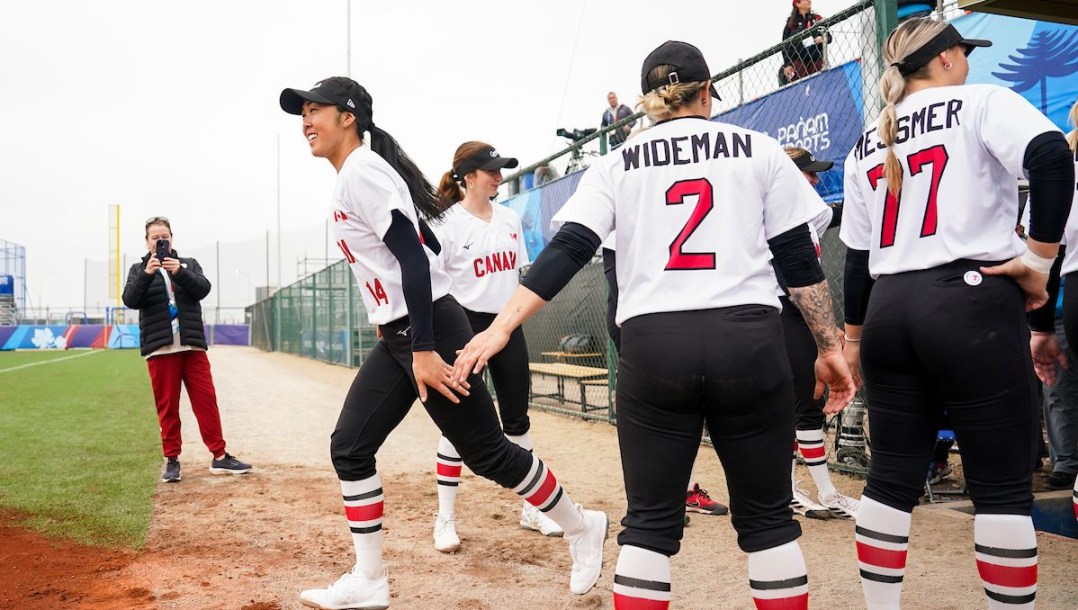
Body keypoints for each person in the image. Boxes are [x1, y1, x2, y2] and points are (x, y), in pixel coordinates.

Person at [453, 41, 855, 609]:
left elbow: (569, 248)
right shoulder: (759, 149)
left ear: (648, 103)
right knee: (767, 521)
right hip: (748, 337)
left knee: (648, 525)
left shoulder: (616, 162)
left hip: (655, 342)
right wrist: (829, 346)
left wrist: (500, 328)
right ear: (708, 90)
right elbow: (798, 260)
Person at [279, 77, 608, 609]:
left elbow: (413, 256)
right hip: (403, 336)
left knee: (488, 454)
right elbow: (427, 240)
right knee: (350, 446)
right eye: (302, 111)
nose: (305, 121)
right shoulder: (361, 173)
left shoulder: (361, 169)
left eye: (314, 109)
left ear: (348, 116)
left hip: (426, 330)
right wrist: (406, 337)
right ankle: (369, 581)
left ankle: (581, 525)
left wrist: (425, 348)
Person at [840, 18, 1074, 609]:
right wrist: (1040, 261)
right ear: (945, 59)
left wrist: (851, 341)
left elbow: (857, 260)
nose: (966, 63)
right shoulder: (981, 102)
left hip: (890, 305)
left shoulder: (871, 136)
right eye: (962, 53)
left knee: (889, 479)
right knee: (998, 488)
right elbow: (1052, 158)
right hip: (969, 300)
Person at [428, 140, 564, 552]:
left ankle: (531, 508)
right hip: (462, 327)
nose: (498, 176)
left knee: (517, 419)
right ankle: (445, 518)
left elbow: (518, 277)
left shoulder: (508, 219)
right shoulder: (446, 222)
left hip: (505, 326)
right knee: (460, 424)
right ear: (468, 177)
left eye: (500, 169)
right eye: (491, 170)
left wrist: (509, 322)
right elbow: (434, 282)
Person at [601, 232, 730, 518]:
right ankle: (650, 504)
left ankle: (683, 492)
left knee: (688, 402)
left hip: (677, 318)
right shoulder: (623, 211)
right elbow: (619, 289)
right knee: (650, 414)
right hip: (640, 322)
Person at [121, 217, 252, 483]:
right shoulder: (138, 269)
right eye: (155, 237)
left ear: (172, 238)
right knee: (167, 407)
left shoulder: (188, 264)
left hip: (192, 345)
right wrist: (148, 274)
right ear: (147, 241)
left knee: (206, 401)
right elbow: (130, 300)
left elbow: (203, 289)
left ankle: (219, 455)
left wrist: (179, 271)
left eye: (165, 237)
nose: (160, 241)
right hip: (160, 349)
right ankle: (172, 459)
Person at [783, 147, 860, 520]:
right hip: (786, 313)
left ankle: (792, 491)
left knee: (798, 406)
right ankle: (826, 493)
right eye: (808, 173)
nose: (816, 180)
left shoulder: (795, 214)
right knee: (806, 403)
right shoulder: (782, 213)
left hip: (790, 315)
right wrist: (825, 333)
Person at [1028, 97, 1078, 515]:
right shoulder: (1065, 168)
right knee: (1060, 389)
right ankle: (1066, 462)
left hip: (1064, 296)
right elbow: (1049, 251)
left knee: (1060, 389)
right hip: (1062, 297)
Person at [781, 0, 831, 83]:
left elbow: (829, 37)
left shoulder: (816, 19)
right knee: (800, 86)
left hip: (816, 58)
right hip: (797, 60)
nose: (809, 1)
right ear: (797, 3)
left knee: (820, 84)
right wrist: (787, 64)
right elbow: (784, 46)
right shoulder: (791, 23)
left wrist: (822, 38)